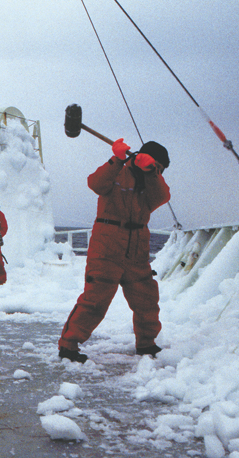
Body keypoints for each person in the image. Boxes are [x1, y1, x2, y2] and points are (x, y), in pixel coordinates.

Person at [58, 139, 171, 363]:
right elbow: (95, 184)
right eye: (157, 167)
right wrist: (116, 159)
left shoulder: (152, 182)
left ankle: (147, 344)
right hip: (107, 246)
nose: (158, 172)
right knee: (95, 300)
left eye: (160, 170)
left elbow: (162, 197)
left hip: (137, 250)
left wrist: (151, 174)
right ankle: (68, 346)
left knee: (147, 299)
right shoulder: (118, 171)